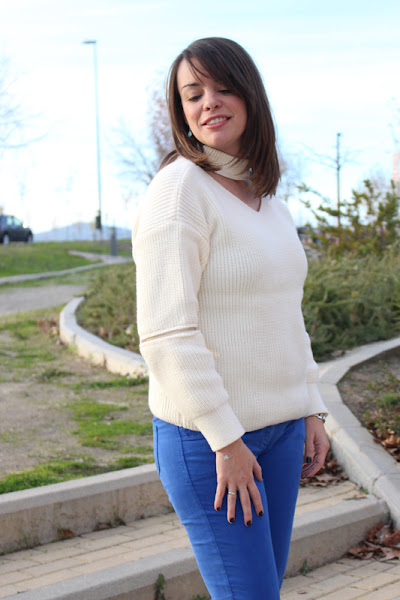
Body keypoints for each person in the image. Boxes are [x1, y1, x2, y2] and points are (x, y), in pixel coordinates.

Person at [132, 37, 329, 600]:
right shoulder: (178, 192)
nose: (209, 103)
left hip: (282, 431)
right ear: (181, 112)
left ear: (250, 96)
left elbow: (286, 313)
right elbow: (166, 335)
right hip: (211, 440)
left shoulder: (269, 200)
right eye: (193, 94)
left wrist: (311, 405)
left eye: (222, 88)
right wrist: (225, 440)